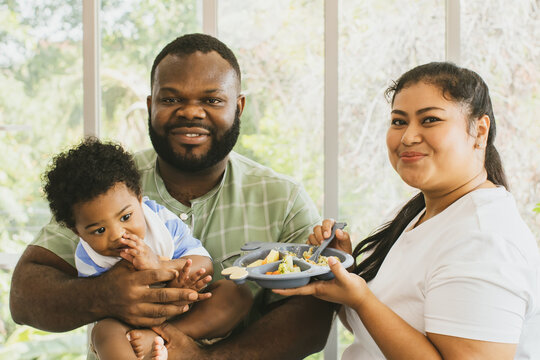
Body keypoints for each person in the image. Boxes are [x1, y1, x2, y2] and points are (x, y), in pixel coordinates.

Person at [10, 33, 334, 359]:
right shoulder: (104, 187)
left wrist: (204, 358)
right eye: (171, 100)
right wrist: (104, 295)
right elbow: (24, 296)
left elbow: (312, 319)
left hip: (197, 329)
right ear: (150, 106)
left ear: (239, 107)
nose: (191, 112)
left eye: (212, 100)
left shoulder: (284, 199)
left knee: (235, 293)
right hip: (125, 339)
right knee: (105, 333)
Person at [274, 62, 540, 359]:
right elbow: (383, 330)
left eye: (429, 120)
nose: (408, 137)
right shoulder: (423, 213)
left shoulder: (485, 241)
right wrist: (344, 272)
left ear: (479, 130)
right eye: (399, 121)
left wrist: (363, 300)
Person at [41, 137, 252, 359]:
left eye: (126, 216)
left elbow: (203, 263)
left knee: (236, 292)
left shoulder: (160, 220)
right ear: (77, 231)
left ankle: (166, 336)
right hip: (130, 326)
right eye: (99, 231)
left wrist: (169, 269)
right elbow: (107, 305)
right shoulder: (89, 257)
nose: (118, 234)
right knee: (104, 333)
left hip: (186, 317)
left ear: (140, 199)